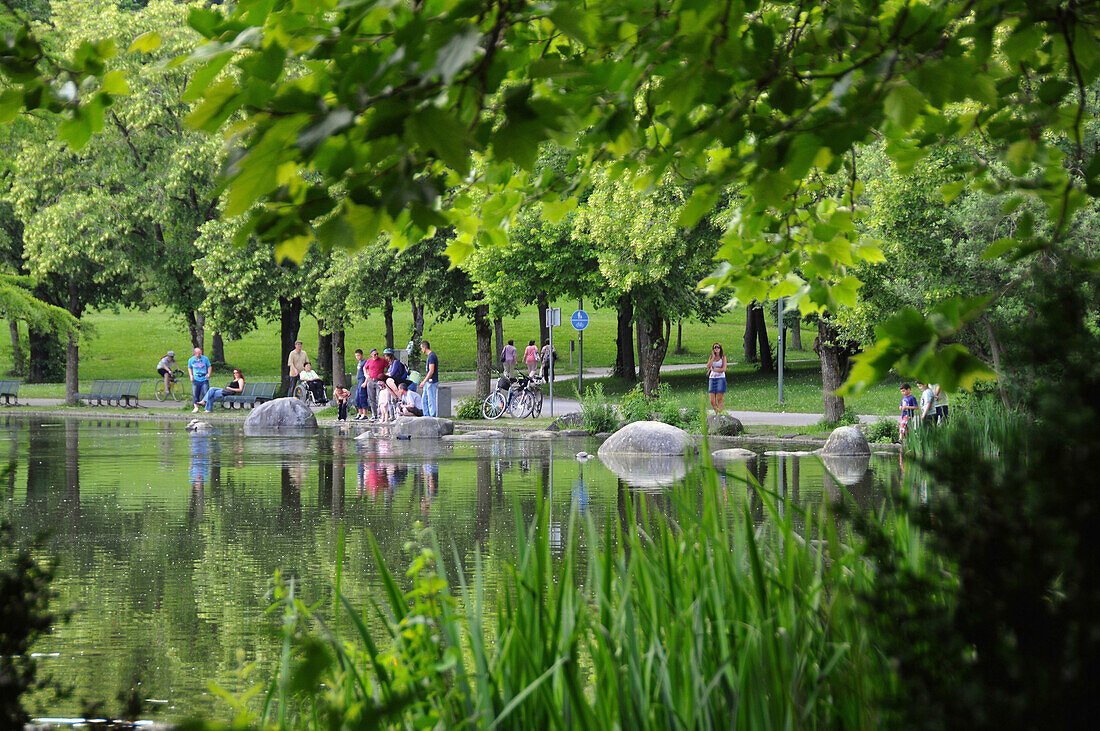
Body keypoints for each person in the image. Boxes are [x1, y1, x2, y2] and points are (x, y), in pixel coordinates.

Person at [187, 346, 212, 413]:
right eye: (198, 354)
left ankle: (207, 407)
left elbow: (209, 366)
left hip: (204, 378)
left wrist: (209, 374)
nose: (199, 355)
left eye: (200, 353)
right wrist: (191, 375)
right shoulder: (191, 360)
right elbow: (189, 368)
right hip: (196, 378)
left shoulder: (205, 359)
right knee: (195, 393)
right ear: (195, 353)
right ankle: (196, 407)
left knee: (206, 393)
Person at [705, 342, 728, 414]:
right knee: (712, 400)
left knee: (719, 398)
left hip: (720, 378)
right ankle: (717, 412)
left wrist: (714, 370)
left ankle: (719, 414)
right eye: (715, 347)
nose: (716, 349)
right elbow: (708, 366)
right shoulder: (711, 357)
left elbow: (723, 369)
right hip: (712, 378)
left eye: (718, 347)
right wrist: (713, 358)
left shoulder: (723, 357)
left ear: (720, 349)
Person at [419, 341, 440, 417]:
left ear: (424, 347)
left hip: (431, 382)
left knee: (431, 400)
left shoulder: (431, 356)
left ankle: (432, 416)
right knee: (424, 400)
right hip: (428, 382)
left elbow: (431, 371)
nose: (421, 350)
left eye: (422, 348)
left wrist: (424, 381)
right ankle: (426, 415)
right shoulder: (430, 356)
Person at [366, 347, 387, 420]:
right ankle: (374, 414)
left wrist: (384, 377)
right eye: (374, 354)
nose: (376, 355)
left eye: (377, 354)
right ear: (371, 355)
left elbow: (388, 367)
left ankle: (380, 414)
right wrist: (367, 375)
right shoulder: (369, 361)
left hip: (379, 381)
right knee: (371, 398)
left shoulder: (382, 360)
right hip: (371, 380)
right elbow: (365, 368)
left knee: (379, 398)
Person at [353, 348, 369, 419]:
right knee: (357, 397)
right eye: (356, 356)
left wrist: (365, 381)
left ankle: (365, 414)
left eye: (358, 355)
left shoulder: (365, 362)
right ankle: (360, 413)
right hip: (359, 380)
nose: (357, 357)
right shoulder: (359, 362)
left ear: (362, 355)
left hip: (362, 380)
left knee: (362, 396)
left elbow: (367, 373)